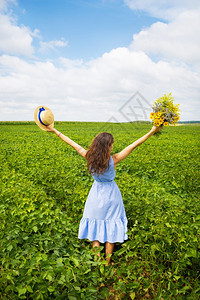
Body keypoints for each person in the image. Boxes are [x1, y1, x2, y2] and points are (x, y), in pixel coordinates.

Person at [46, 124, 162, 264]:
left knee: (96, 227)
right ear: (108, 146)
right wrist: (152, 131)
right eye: (111, 144)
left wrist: (54, 130)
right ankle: (107, 262)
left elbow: (72, 143)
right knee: (110, 227)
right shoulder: (114, 159)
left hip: (95, 195)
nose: (113, 146)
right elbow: (134, 145)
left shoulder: (88, 156)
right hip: (112, 196)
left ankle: (97, 259)